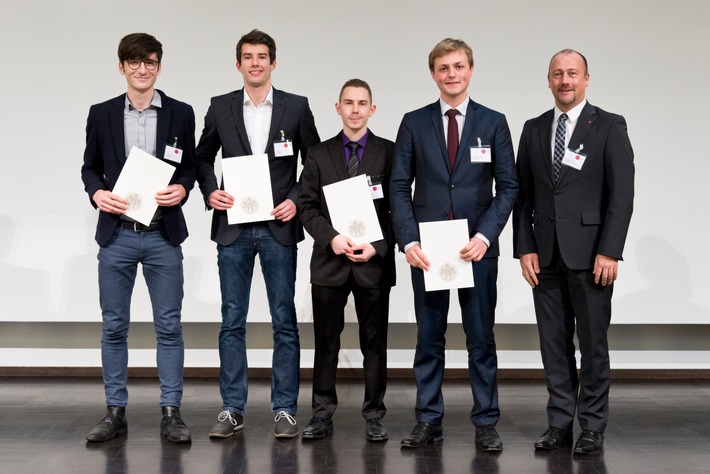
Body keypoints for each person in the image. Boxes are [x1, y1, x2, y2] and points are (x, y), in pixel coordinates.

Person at [390, 38, 518, 450]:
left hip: (476, 250)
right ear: (433, 74)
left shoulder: (494, 122)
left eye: (458, 66)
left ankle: (485, 422)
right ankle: (428, 419)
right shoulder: (413, 121)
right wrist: (408, 240)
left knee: (481, 339)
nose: (451, 74)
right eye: (443, 68)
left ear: (470, 70)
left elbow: (509, 187)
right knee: (429, 339)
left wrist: (485, 236)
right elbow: (398, 186)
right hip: (427, 252)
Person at [195, 29, 320, 439]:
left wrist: (298, 201)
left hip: (278, 228)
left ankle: (284, 409)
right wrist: (211, 190)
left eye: (262, 56)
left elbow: (316, 163)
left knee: (284, 321)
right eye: (247, 57)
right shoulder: (219, 106)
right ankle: (232, 409)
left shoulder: (296, 107)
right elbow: (201, 158)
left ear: (273, 63)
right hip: (232, 230)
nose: (255, 63)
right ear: (238, 64)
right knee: (232, 321)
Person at [513, 49, 634, 455]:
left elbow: (622, 196)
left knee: (593, 344)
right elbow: (522, 197)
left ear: (586, 79)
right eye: (557, 74)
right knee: (553, 344)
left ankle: (593, 426)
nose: (565, 81)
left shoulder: (609, 126)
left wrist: (610, 251)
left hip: (592, 258)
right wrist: (524, 248)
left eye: (572, 74)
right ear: (548, 81)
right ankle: (560, 423)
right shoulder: (533, 129)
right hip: (545, 257)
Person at [81, 33, 195, 444]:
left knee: (169, 326)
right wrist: (97, 192)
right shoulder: (102, 113)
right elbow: (89, 167)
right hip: (118, 235)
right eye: (134, 63)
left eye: (149, 62)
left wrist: (182, 189)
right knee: (114, 326)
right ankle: (115, 412)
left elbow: (190, 169)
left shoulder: (181, 113)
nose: (142, 69)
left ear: (159, 67)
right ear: (121, 67)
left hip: (163, 233)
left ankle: (171, 412)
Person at [298, 79, 395, 441]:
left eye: (362, 103)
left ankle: (374, 415)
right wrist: (333, 238)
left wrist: (379, 245)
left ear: (373, 109)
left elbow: (398, 208)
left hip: (373, 263)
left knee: (375, 343)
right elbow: (306, 207)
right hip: (330, 263)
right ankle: (321, 414)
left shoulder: (390, 152)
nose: (355, 109)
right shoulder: (318, 154)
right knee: (326, 343)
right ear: (337, 108)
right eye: (348, 103)